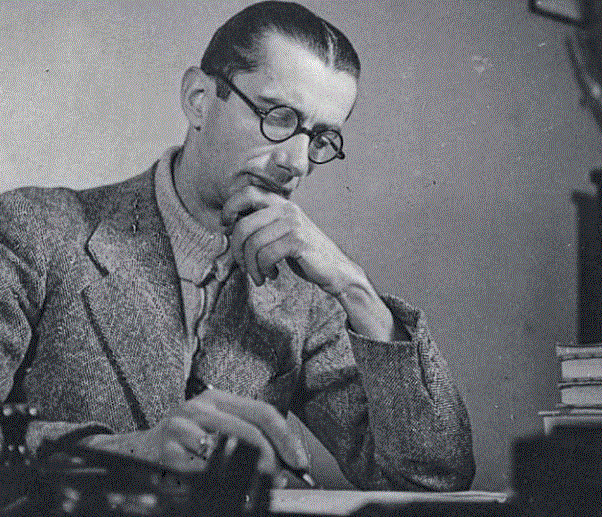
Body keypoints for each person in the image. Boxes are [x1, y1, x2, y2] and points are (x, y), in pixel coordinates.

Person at [0, 1, 474, 491]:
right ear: (199, 99)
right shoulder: (35, 230)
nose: (297, 163)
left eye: (320, 138)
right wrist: (122, 452)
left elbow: (433, 477)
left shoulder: (303, 298)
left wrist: (356, 289)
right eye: (279, 117)